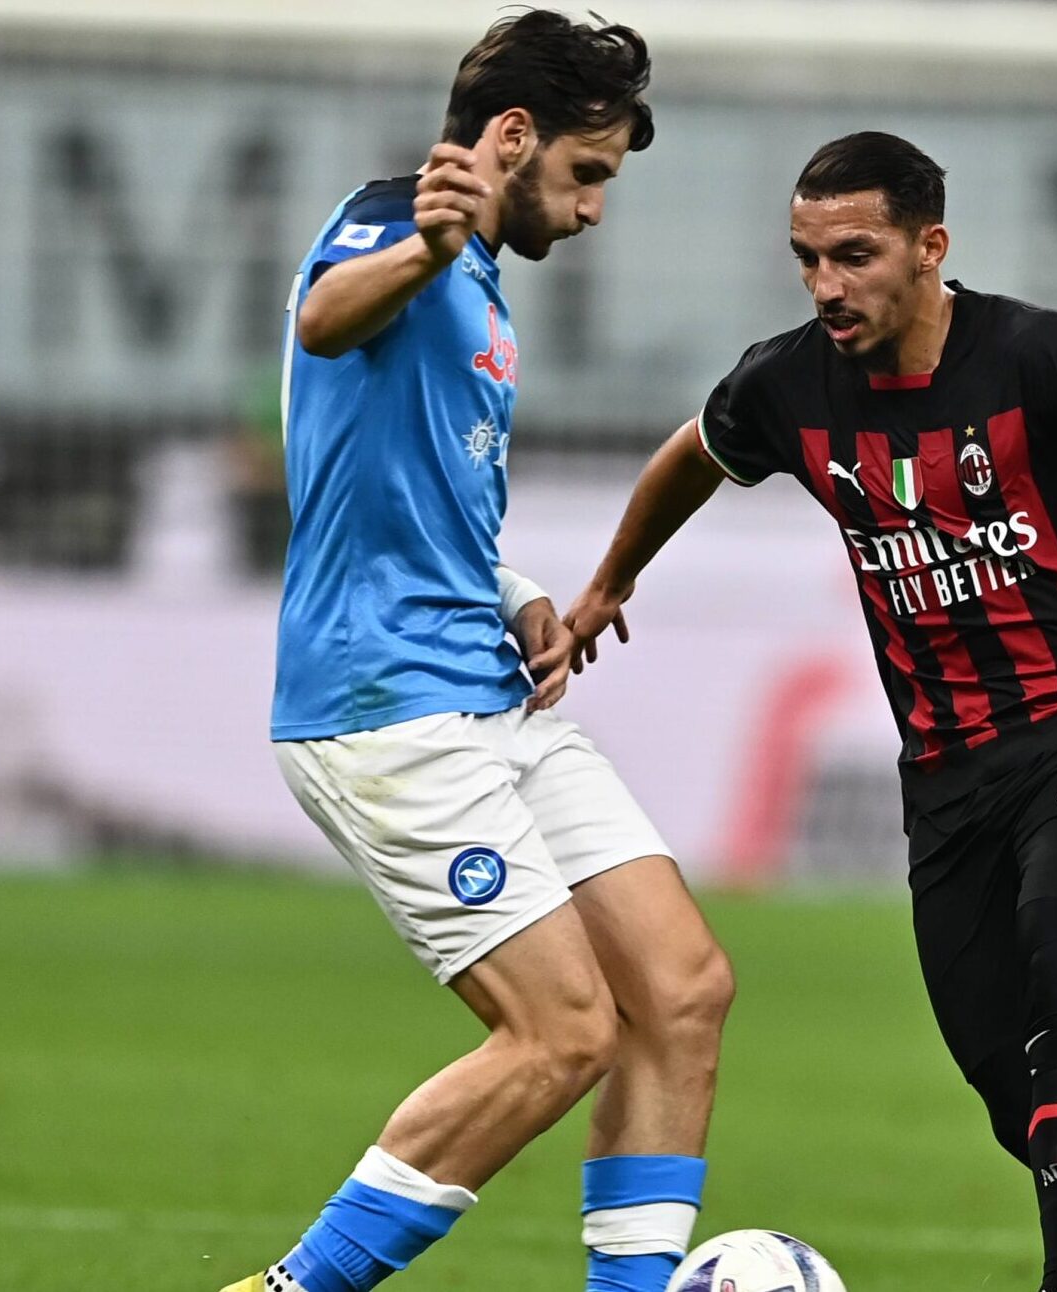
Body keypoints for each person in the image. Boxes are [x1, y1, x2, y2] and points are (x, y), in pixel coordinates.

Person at [565, 132, 1057, 1292]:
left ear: (929, 247)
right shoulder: (787, 382)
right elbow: (693, 454)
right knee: (1024, 1099)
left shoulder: (1048, 357)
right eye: (806, 259)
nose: (825, 286)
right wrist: (611, 580)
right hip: (947, 776)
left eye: (854, 256)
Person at [226, 13, 733, 1292]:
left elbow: (385, 484)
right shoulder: (393, 225)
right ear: (513, 138)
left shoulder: (478, 282)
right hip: (384, 705)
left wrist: (513, 595)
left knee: (679, 989)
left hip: (482, 685)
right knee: (562, 1031)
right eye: (590, 171)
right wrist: (427, 244)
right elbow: (325, 322)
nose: (598, 207)